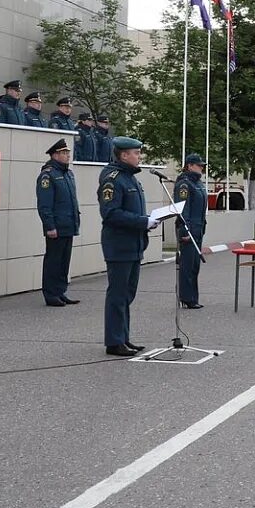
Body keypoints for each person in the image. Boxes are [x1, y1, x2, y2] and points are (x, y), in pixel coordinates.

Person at [99, 137, 158, 356]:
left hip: (133, 244)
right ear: (124, 155)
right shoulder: (113, 179)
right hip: (119, 245)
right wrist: (143, 222)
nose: (139, 156)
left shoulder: (130, 178)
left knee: (127, 294)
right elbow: (111, 213)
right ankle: (114, 341)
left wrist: (148, 220)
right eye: (136, 153)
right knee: (118, 294)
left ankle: (123, 336)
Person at [36, 138, 80, 307]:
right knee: (53, 261)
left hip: (68, 224)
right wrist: (50, 226)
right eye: (63, 153)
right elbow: (44, 205)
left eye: (68, 153)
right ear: (54, 155)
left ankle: (61, 291)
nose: (67, 155)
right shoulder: (48, 175)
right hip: (56, 226)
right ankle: (50, 293)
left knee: (64, 261)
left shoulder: (68, 173)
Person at [174, 153, 208, 309]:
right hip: (188, 229)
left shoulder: (198, 183)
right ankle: (187, 297)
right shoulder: (184, 184)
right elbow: (183, 209)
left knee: (195, 265)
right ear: (189, 166)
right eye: (198, 165)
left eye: (202, 165)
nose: (201, 167)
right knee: (187, 264)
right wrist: (185, 230)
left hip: (198, 228)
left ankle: (193, 296)